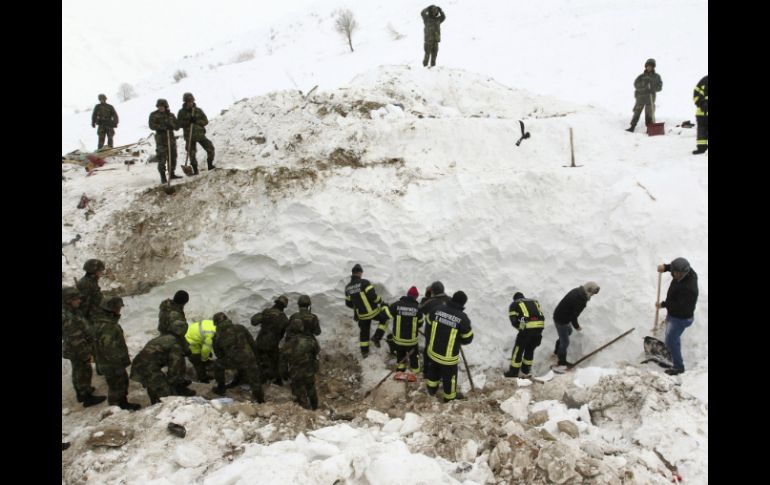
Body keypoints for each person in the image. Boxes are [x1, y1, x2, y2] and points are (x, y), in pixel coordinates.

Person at [91, 297, 141, 410]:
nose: (120, 310)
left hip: (104, 362)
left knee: (115, 385)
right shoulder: (110, 327)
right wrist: (118, 365)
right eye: (118, 308)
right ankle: (117, 407)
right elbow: (109, 348)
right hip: (112, 364)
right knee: (118, 386)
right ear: (113, 309)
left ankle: (120, 404)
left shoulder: (98, 322)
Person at [130, 320, 196, 404]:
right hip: (147, 368)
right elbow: (175, 368)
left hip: (140, 364)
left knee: (155, 384)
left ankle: (156, 401)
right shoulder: (175, 345)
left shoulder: (166, 337)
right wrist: (174, 383)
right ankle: (158, 406)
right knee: (165, 395)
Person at [424, 291, 473, 402]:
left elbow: (428, 322)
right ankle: (449, 398)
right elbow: (468, 338)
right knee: (449, 378)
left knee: (433, 371)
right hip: (448, 358)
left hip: (433, 351)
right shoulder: (462, 318)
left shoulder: (437, 309)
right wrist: (458, 338)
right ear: (463, 303)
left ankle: (431, 390)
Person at [62, 287, 106, 407]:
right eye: (76, 299)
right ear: (68, 300)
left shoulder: (72, 311)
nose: (79, 301)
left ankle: (83, 391)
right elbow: (75, 339)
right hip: (78, 350)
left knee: (80, 371)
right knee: (82, 372)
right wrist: (85, 354)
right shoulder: (68, 317)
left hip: (77, 348)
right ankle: (86, 397)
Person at [656, 258, 698, 375]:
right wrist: (666, 267)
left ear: (682, 273)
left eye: (675, 273)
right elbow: (676, 267)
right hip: (674, 315)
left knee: (671, 339)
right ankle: (672, 347)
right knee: (672, 336)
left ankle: (678, 367)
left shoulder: (689, 289)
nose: (673, 274)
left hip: (681, 318)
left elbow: (679, 307)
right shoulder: (687, 272)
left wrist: (663, 305)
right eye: (673, 271)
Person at [211, 312, 264, 403]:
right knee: (254, 379)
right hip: (249, 359)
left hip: (233, 361)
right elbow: (252, 343)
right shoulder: (240, 328)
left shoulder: (217, 336)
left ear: (216, 323)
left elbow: (219, 355)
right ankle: (260, 398)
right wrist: (257, 358)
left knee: (217, 364)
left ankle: (221, 389)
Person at [552, 282, 600, 372]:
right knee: (565, 343)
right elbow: (574, 316)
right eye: (592, 293)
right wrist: (577, 326)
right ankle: (561, 364)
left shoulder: (577, 291)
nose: (592, 295)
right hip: (561, 319)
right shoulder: (581, 299)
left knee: (568, 332)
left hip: (561, 315)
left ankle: (556, 351)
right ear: (589, 290)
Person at [344, 264, 388, 357]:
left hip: (362, 315)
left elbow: (348, 303)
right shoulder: (364, 283)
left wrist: (358, 308)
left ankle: (364, 353)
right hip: (372, 312)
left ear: (352, 273)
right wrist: (381, 301)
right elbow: (373, 296)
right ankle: (376, 337)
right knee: (384, 318)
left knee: (364, 333)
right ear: (360, 273)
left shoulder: (348, 287)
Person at [281, 316, 321, 410]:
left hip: (295, 372)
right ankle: (315, 408)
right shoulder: (311, 341)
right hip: (309, 370)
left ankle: (304, 410)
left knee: (298, 391)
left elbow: (283, 359)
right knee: (311, 389)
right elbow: (317, 351)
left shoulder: (289, 343)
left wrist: (284, 373)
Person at [503, 292, 545, 378]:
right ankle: (526, 370)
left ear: (515, 299)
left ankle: (513, 372)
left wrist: (521, 328)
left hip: (527, 329)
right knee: (530, 349)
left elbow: (514, 321)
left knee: (518, 350)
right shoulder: (534, 301)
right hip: (539, 328)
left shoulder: (514, 304)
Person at [251, 295, 290, 385]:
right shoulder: (284, 319)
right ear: (284, 306)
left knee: (258, 361)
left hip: (260, 342)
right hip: (272, 345)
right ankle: (277, 380)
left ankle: (259, 379)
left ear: (275, 303)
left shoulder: (267, 312)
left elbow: (253, 321)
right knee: (275, 362)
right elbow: (282, 334)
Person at [177, 92, 216, 174]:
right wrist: (188, 122)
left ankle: (210, 165)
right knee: (192, 154)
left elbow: (205, 121)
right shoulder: (181, 112)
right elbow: (179, 124)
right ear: (185, 102)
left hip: (200, 134)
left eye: (191, 101)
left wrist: (196, 121)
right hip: (189, 137)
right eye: (188, 102)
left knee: (210, 148)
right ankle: (195, 170)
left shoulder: (198, 110)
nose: (190, 103)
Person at [388, 286, 422, 377]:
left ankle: (400, 372)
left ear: (407, 294)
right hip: (411, 341)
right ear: (415, 297)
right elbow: (420, 323)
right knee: (414, 357)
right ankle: (415, 373)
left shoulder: (396, 305)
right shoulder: (417, 309)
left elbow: (388, 314)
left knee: (400, 356)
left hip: (398, 340)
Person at [626, 59, 663, 132]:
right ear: (645, 66)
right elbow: (636, 85)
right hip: (641, 97)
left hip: (650, 98)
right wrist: (644, 85)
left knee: (649, 113)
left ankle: (649, 129)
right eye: (648, 66)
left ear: (653, 67)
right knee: (637, 112)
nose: (649, 67)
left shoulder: (657, 77)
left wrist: (652, 88)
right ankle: (632, 126)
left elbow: (660, 87)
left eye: (651, 66)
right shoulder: (641, 76)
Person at [148, 98, 180, 184]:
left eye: (162, 106)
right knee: (162, 159)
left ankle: (172, 173)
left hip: (171, 140)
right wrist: (162, 127)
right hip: (161, 140)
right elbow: (151, 125)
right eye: (159, 106)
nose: (161, 108)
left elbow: (177, 126)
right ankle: (163, 176)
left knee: (173, 157)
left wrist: (171, 125)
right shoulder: (154, 115)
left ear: (166, 106)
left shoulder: (171, 115)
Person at [185, 318, 217, 382]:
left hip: (194, 334)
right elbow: (205, 349)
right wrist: (204, 359)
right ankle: (203, 379)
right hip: (189, 341)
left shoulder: (214, 325)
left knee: (206, 354)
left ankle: (205, 366)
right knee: (197, 361)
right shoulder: (211, 334)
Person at [692, 76, 708, 154]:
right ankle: (701, 148)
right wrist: (701, 103)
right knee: (701, 130)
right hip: (701, 112)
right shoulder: (704, 80)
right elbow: (695, 94)